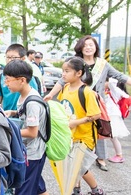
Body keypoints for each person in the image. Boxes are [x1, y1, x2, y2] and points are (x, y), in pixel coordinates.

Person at [44, 35, 131, 172]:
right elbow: (62, 81)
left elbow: (119, 76)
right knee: (75, 127)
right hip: (77, 101)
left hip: (96, 102)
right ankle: (73, 154)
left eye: (91, 45)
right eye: (85, 45)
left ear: (96, 47)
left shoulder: (103, 64)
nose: (88, 48)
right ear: (80, 48)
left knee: (98, 127)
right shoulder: (75, 63)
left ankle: (100, 158)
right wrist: (50, 94)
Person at [57, 56, 104, 195]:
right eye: (63, 71)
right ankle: (76, 190)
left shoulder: (86, 91)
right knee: (72, 165)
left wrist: (75, 122)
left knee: (79, 167)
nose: (63, 74)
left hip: (84, 136)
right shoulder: (65, 88)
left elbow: (95, 115)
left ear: (78, 73)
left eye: (67, 71)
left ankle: (96, 190)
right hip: (70, 136)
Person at [2, 59, 48, 195]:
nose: (6, 83)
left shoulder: (32, 102)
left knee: (23, 190)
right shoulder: (24, 95)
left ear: (22, 80)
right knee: (39, 187)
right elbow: (28, 116)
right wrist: (14, 112)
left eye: (8, 79)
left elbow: (32, 132)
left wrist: (9, 132)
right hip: (30, 151)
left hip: (32, 154)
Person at [0, 43, 40, 111]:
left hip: (24, 117)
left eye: (13, 57)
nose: (10, 60)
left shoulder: (29, 78)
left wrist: (16, 112)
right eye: (8, 57)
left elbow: (34, 99)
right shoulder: (2, 77)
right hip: (7, 117)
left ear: (23, 58)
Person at [104, 78, 130, 163]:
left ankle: (119, 155)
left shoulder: (115, 91)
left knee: (113, 137)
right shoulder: (116, 91)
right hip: (111, 115)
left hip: (113, 115)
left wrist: (109, 79)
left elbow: (112, 82)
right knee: (111, 136)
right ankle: (118, 155)